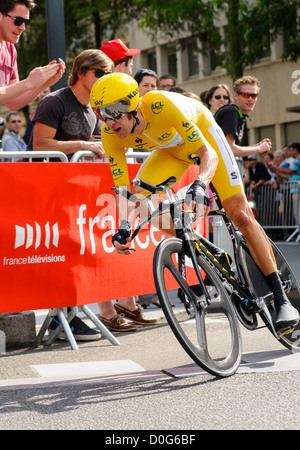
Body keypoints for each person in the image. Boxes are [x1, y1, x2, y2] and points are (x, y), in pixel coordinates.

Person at [90, 72, 299, 333]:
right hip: (171, 152)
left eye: (113, 114)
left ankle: (281, 299)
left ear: (132, 106)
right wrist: (122, 226)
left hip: (205, 139)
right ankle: (208, 251)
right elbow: (123, 190)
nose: (108, 122)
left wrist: (200, 184)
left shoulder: (160, 104)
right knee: (141, 202)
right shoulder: (111, 136)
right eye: (101, 115)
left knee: (240, 215)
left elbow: (205, 153)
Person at [29, 49, 112, 341]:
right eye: (100, 73)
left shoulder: (93, 108)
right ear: (81, 72)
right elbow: (39, 145)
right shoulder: (54, 101)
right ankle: (64, 319)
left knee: (73, 253)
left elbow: (86, 147)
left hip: (72, 190)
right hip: (44, 190)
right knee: (58, 255)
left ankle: (67, 316)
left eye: (108, 74)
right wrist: (84, 145)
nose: (104, 79)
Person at [99, 39, 157, 329]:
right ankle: (108, 309)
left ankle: (129, 302)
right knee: (108, 243)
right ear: (117, 66)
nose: (132, 66)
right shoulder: (110, 105)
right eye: (128, 62)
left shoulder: (133, 104)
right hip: (104, 182)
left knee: (130, 234)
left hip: (127, 178)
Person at [0, 0, 65, 111]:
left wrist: (42, 84)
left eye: (26, 22)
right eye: (18, 21)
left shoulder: (10, 49)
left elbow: (13, 102)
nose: (23, 27)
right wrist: (28, 83)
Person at [214, 76, 271, 158]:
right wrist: (258, 148)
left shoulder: (237, 113)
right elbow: (230, 149)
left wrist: (257, 146)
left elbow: (232, 148)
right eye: (245, 95)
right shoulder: (231, 112)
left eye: (254, 95)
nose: (250, 99)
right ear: (236, 95)